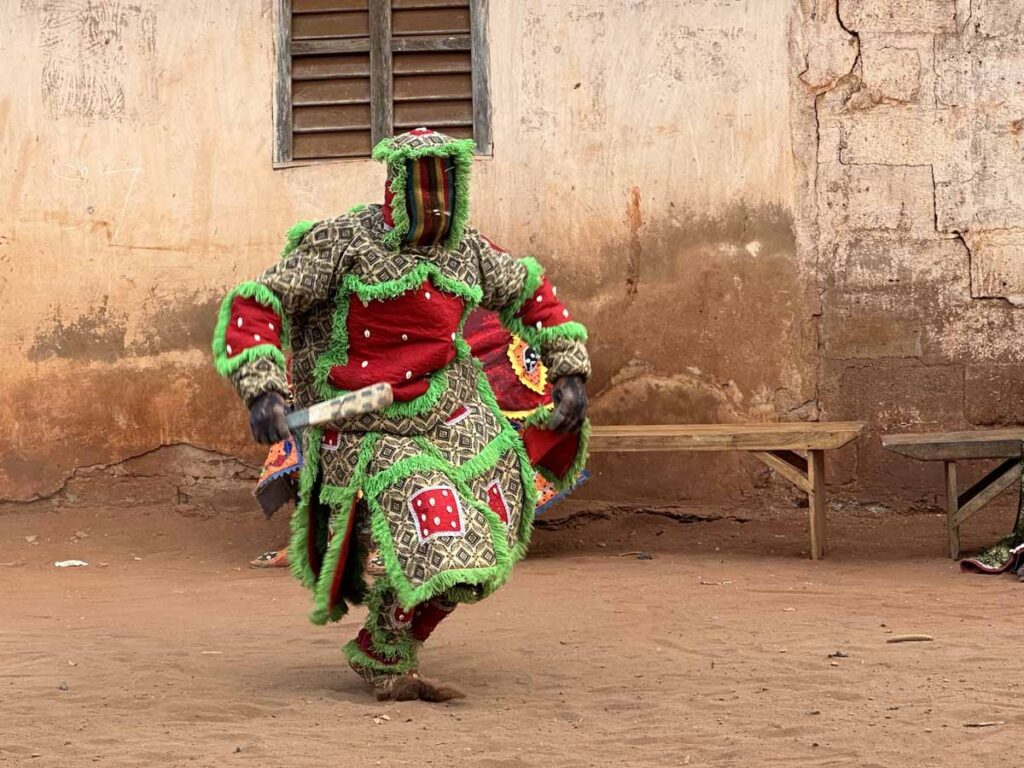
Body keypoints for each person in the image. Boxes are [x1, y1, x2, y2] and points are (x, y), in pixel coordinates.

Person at [213, 129, 591, 701]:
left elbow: (531, 293)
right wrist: (262, 389)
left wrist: (570, 372)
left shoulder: (468, 251)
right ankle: (388, 647)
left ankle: (385, 646)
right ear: (397, 186)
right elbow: (257, 300)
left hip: (452, 413)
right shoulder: (343, 242)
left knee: (494, 530)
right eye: (423, 188)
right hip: (370, 429)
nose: (436, 204)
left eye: (446, 189)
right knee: (444, 541)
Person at [248, 307, 590, 568]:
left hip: (456, 365)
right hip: (378, 353)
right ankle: (330, 536)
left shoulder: (460, 276)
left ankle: (406, 541)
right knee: (313, 395)